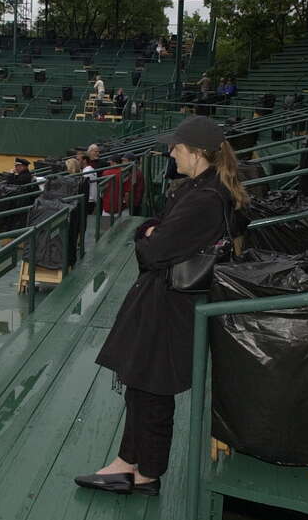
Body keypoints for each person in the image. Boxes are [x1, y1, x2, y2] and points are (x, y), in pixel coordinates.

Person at [75, 116, 247, 496]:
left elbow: (154, 250)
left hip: (172, 308)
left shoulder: (205, 198)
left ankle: (147, 473)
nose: (171, 152)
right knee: (140, 384)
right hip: (167, 301)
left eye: (177, 147)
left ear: (197, 153)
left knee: (152, 390)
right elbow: (159, 229)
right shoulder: (200, 188)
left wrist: (148, 233)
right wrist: (152, 230)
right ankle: (127, 463)